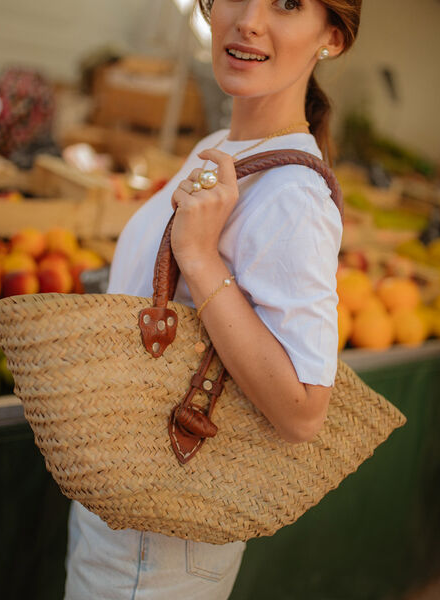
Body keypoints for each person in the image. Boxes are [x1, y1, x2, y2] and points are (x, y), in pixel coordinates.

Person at [64, 1, 362, 598]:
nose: (248, 19)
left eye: (287, 3)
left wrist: (201, 261)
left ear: (331, 36)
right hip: (124, 498)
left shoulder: (292, 198)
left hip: (162, 536)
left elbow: (304, 411)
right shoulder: (220, 143)